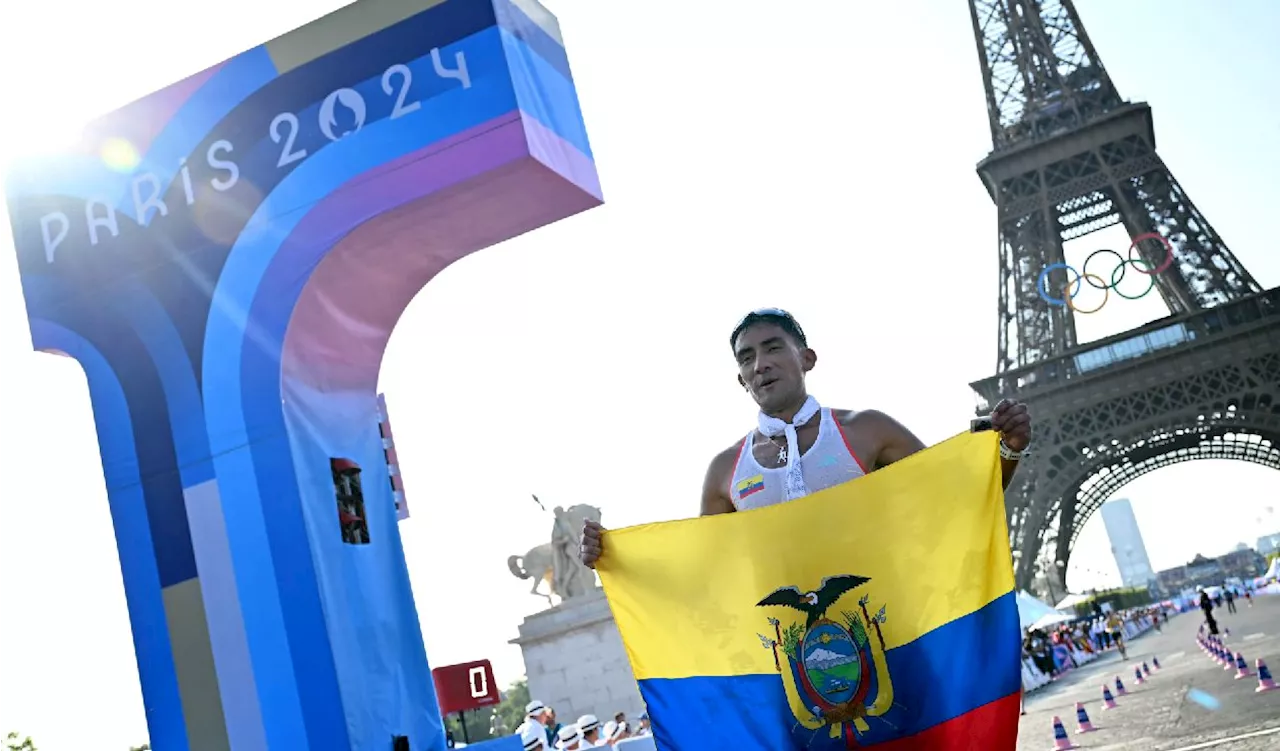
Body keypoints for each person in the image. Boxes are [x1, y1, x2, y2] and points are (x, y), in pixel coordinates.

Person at [580, 308, 1032, 566]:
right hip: (792, 657)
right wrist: (617, 557)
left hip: (894, 626)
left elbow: (959, 498)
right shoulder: (725, 471)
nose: (760, 364)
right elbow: (708, 569)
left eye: (773, 347)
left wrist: (1008, 448)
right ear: (741, 379)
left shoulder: (866, 428)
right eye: (747, 358)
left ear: (808, 358)